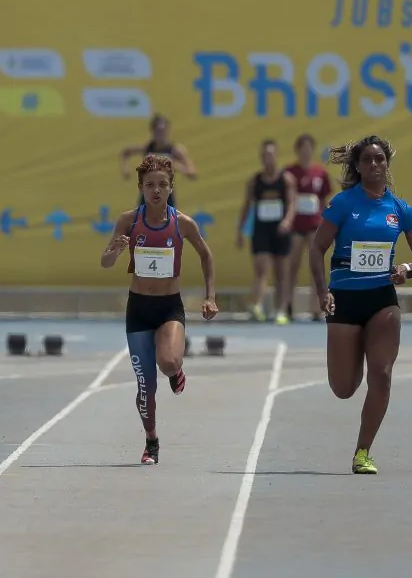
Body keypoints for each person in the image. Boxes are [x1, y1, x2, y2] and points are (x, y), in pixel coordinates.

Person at [310, 135, 412, 475]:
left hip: (382, 299)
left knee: (382, 375)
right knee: (344, 388)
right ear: (358, 167)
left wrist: (407, 268)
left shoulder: (399, 209)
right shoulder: (343, 204)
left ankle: (363, 451)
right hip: (345, 298)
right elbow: (316, 249)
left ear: (387, 165)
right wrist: (323, 292)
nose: (375, 165)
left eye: (380, 159)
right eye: (368, 160)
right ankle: (354, 353)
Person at [100, 153, 217, 465]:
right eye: (150, 185)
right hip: (138, 308)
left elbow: (206, 256)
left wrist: (210, 296)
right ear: (141, 187)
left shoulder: (182, 223)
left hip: (168, 307)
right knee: (145, 387)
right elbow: (106, 261)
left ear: (170, 188)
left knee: (167, 363)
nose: (156, 190)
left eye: (162, 185)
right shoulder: (128, 221)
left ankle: (176, 370)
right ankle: (151, 441)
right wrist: (116, 249)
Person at [236, 139, 296, 323]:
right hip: (261, 230)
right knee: (261, 268)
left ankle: (280, 310)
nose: (267, 158)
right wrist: (240, 231)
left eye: (270, 155)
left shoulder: (286, 180)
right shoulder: (254, 181)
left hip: (280, 230)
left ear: (276, 156)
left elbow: (292, 204)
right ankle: (258, 305)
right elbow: (246, 206)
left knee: (281, 273)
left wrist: (287, 221)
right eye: (264, 155)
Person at [284, 134, 334, 322]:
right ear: (297, 151)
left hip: (315, 226)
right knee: (292, 266)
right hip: (296, 227)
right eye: (302, 148)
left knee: (316, 267)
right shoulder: (289, 173)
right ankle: (287, 305)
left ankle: (317, 308)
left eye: (308, 148)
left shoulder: (320, 173)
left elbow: (323, 199)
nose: (305, 152)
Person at [118, 114, 197, 208]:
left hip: (166, 196)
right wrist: (126, 168)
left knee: (168, 221)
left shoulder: (175, 150)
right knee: (140, 221)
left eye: (163, 131)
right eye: (158, 131)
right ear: (152, 132)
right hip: (147, 195)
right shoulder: (147, 148)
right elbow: (126, 152)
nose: (161, 135)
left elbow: (192, 173)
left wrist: (176, 165)